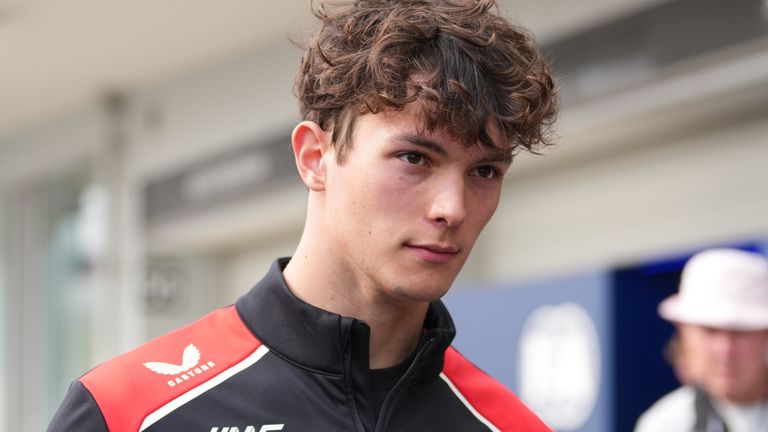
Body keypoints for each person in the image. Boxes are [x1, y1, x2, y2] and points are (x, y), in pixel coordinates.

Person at [49, 0, 557, 430]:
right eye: (414, 158)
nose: (453, 208)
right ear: (314, 158)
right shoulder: (126, 412)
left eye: (485, 171)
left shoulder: (512, 426)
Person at [635, 248, 768, 432]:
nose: (725, 349)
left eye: (740, 331)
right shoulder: (665, 424)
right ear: (685, 334)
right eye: (710, 331)